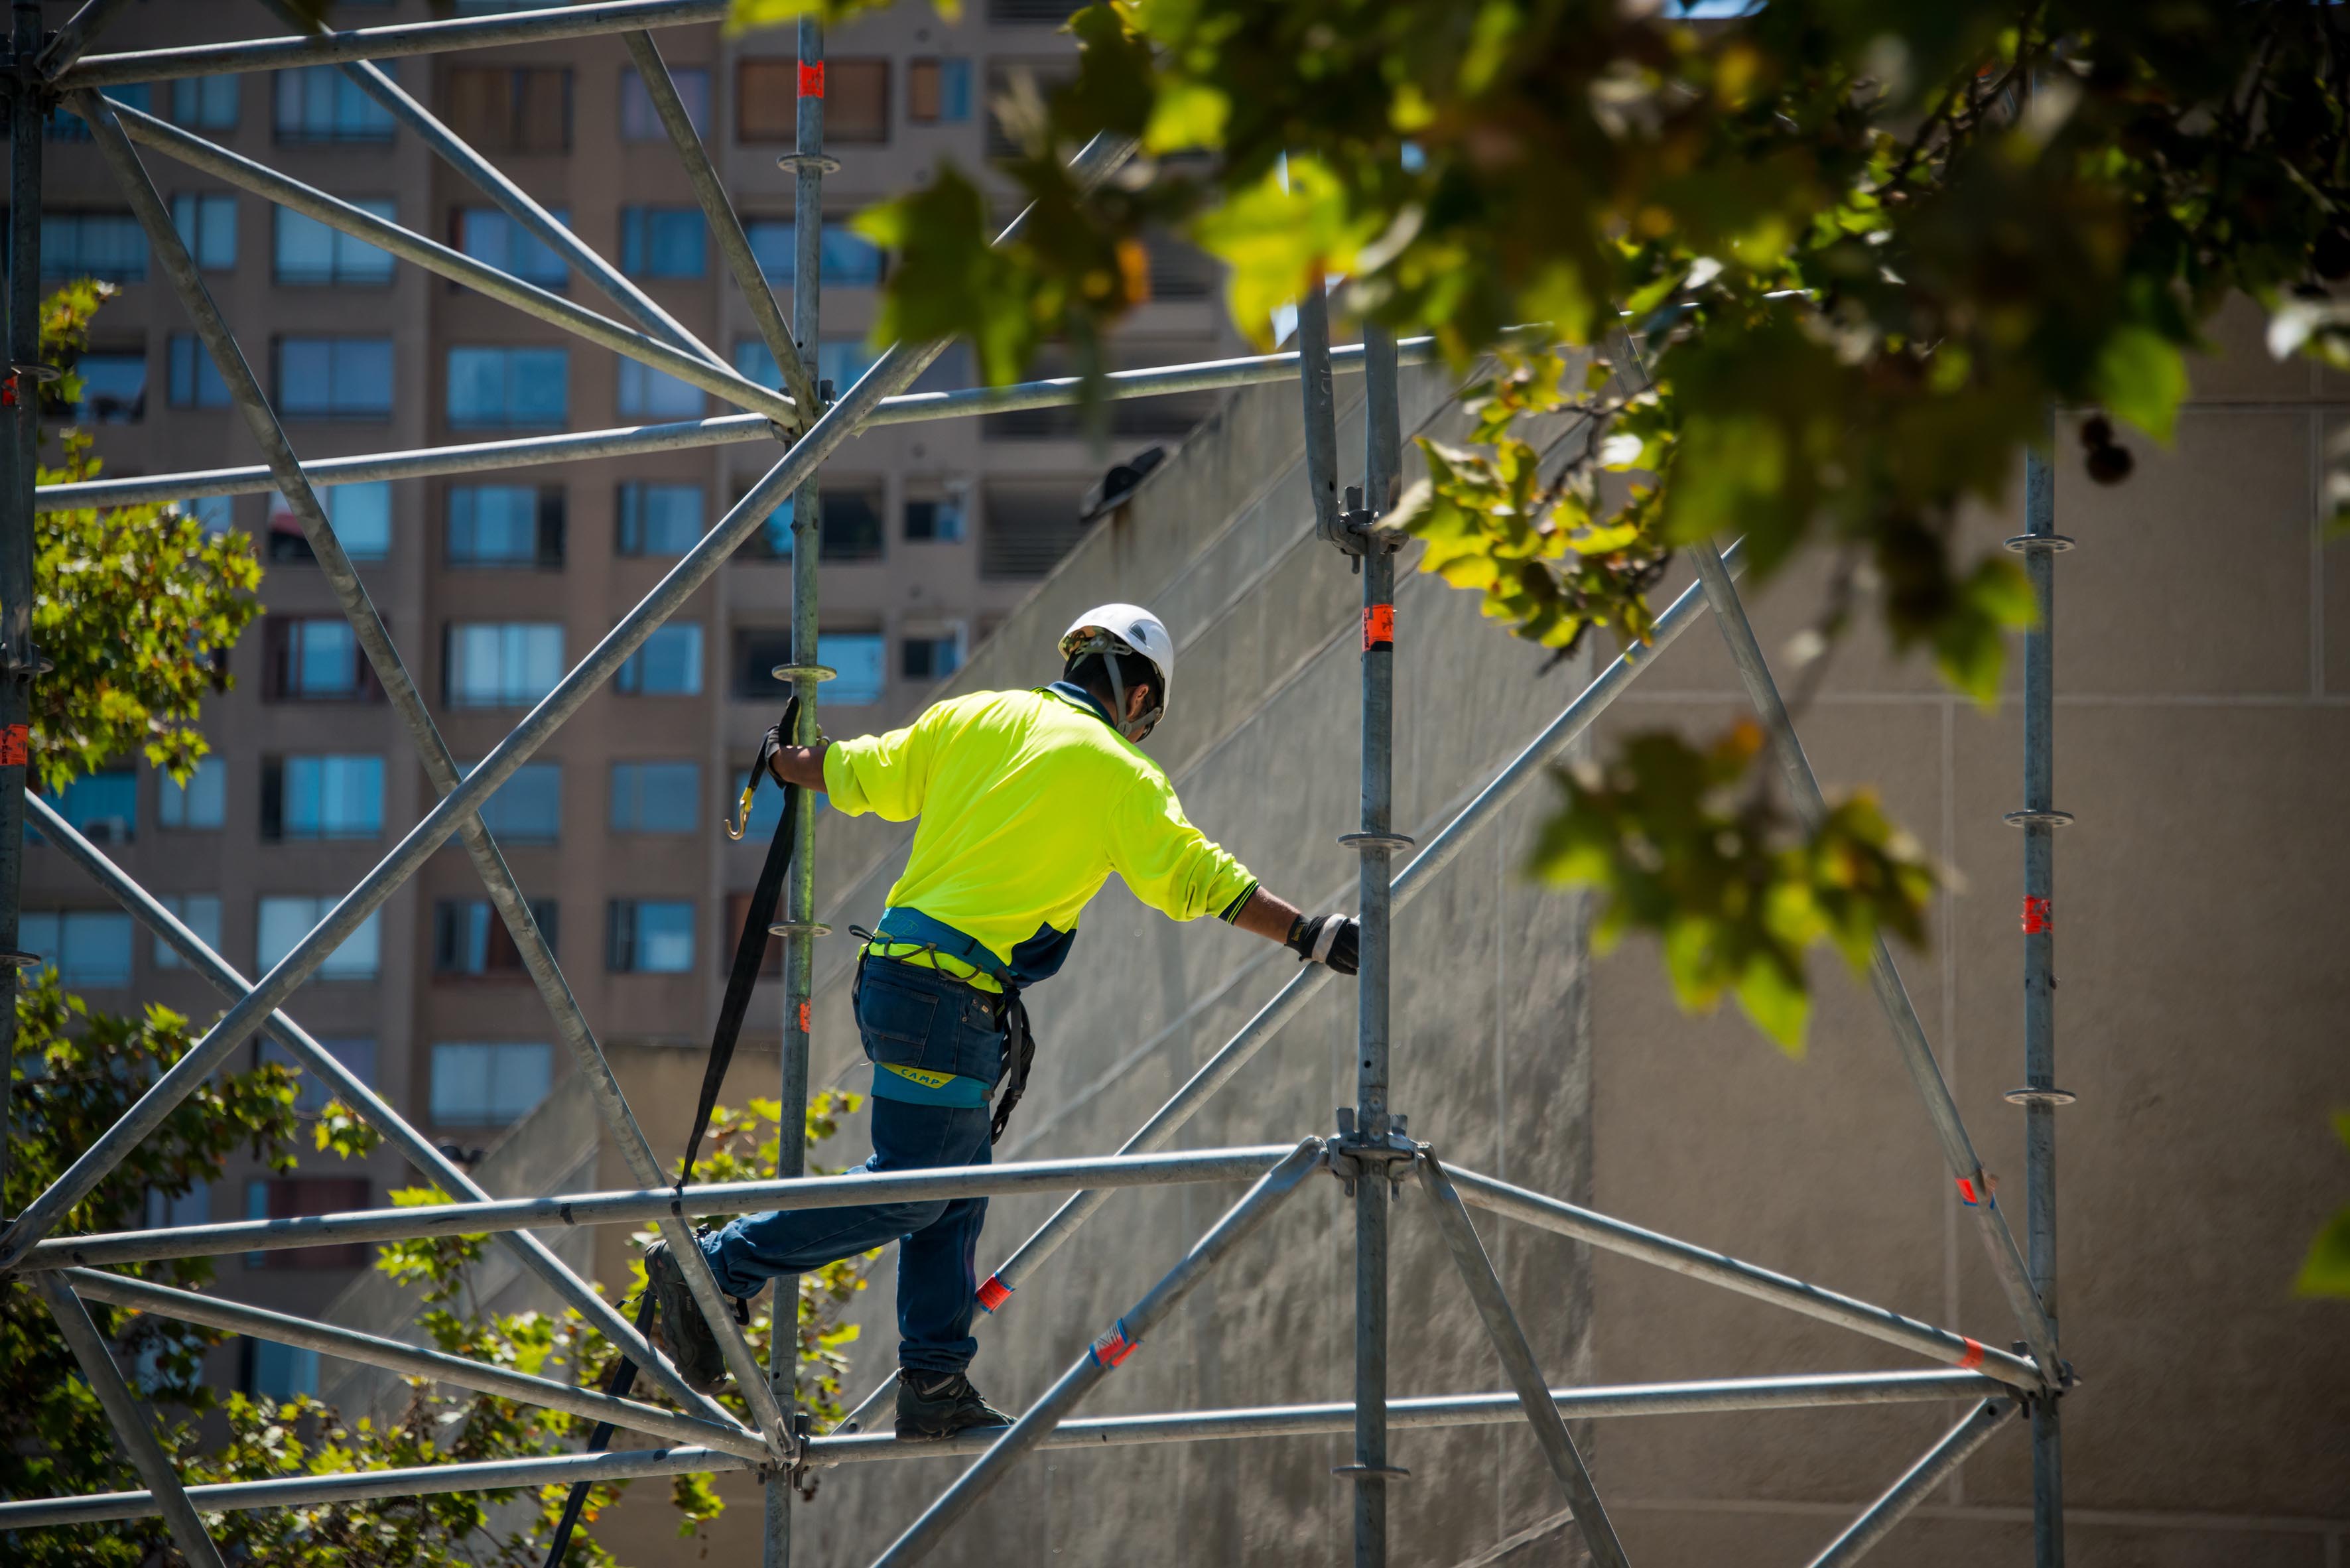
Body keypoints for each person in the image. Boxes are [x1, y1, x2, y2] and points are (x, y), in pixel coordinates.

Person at [641, 603, 1360, 1440]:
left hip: (904, 982)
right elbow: (1204, 880)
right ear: (1137, 696)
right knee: (918, 1191)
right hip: (947, 997)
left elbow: (865, 772)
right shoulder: (1119, 773)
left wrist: (788, 762)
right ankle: (717, 1263)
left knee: (954, 1187)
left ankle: (935, 1382)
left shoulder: (975, 714)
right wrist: (1308, 931)